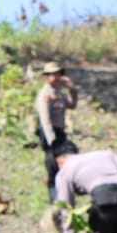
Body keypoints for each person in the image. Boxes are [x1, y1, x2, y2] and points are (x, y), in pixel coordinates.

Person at [35, 61, 79, 201]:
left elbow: (72, 105)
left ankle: (64, 197)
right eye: (53, 74)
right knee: (52, 167)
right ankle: (54, 199)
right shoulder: (45, 95)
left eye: (58, 73)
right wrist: (51, 141)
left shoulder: (59, 94)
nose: (57, 77)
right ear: (47, 77)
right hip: (50, 135)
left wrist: (72, 89)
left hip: (60, 133)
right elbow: (45, 120)